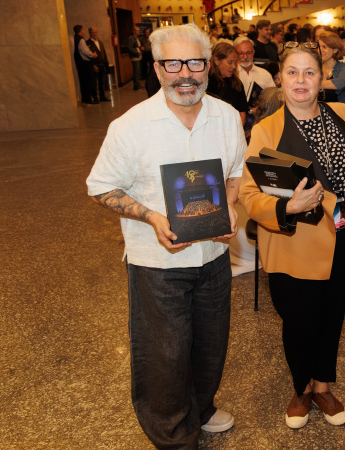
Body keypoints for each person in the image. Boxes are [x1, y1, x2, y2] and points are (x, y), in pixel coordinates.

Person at [86, 25, 246, 448]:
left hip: (212, 254)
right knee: (165, 353)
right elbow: (100, 187)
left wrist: (231, 205)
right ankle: (172, 432)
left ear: (208, 66)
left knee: (211, 345)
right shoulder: (131, 126)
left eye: (194, 63)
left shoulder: (227, 118)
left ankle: (201, 407)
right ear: (157, 68)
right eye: (173, 64)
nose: (185, 74)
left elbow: (235, 175)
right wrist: (153, 218)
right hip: (157, 263)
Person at [240, 49, 345, 430]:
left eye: (310, 73)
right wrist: (287, 206)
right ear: (280, 80)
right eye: (292, 73)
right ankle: (301, 388)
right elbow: (249, 196)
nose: (301, 81)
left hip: (343, 227)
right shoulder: (267, 130)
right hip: (295, 239)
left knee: (333, 312)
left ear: (322, 79)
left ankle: (323, 384)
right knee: (300, 319)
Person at [206, 42, 247, 123]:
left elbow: (242, 114)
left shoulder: (236, 84)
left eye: (235, 62)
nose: (234, 66)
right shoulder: (205, 82)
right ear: (217, 60)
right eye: (230, 62)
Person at [317, 31, 345, 105]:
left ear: (335, 50)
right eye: (319, 47)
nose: (320, 50)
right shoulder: (317, 68)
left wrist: (314, 84)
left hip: (339, 114)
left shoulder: (344, 67)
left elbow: (341, 83)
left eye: (324, 47)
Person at [73, 24, 98, 104]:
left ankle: (85, 98)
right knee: (88, 82)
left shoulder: (75, 38)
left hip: (80, 63)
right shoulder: (81, 40)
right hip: (85, 64)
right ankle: (87, 99)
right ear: (80, 30)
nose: (84, 31)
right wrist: (93, 55)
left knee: (83, 81)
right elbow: (85, 51)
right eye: (83, 30)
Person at [87, 28, 111, 102]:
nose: (94, 34)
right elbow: (88, 56)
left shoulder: (100, 42)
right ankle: (95, 97)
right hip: (95, 65)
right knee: (94, 83)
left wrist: (106, 63)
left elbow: (104, 53)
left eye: (96, 32)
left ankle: (102, 96)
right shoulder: (88, 43)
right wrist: (93, 65)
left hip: (102, 64)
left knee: (102, 82)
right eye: (93, 32)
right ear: (90, 33)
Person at [127, 25, 144, 90]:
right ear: (133, 31)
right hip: (135, 57)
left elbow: (137, 46)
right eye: (137, 30)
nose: (138, 32)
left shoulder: (137, 38)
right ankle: (136, 85)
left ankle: (138, 84)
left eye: (139, 30)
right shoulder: (131, 38)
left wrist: (141, 48)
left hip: (139, 56)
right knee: (136, 71)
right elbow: (130, 47)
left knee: (138, 71)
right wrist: (136, 52)